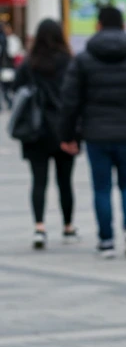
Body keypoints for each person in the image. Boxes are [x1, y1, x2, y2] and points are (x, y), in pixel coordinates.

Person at [59, 5, 126, 258]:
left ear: (98, 25)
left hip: (96, 134)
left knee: (102, 188)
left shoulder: (83, 60)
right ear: (124, 26)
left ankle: (106, 241)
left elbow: (70, 101)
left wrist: (68, 135)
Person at [12, 19, 78, 249]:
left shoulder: (30, 62)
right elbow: (75, 96)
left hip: (35, 129)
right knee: (65, 181)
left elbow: (16, 90)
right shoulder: (69, 62)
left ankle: (39, 227)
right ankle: (68, 226)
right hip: (63, 129)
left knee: (38, 181)